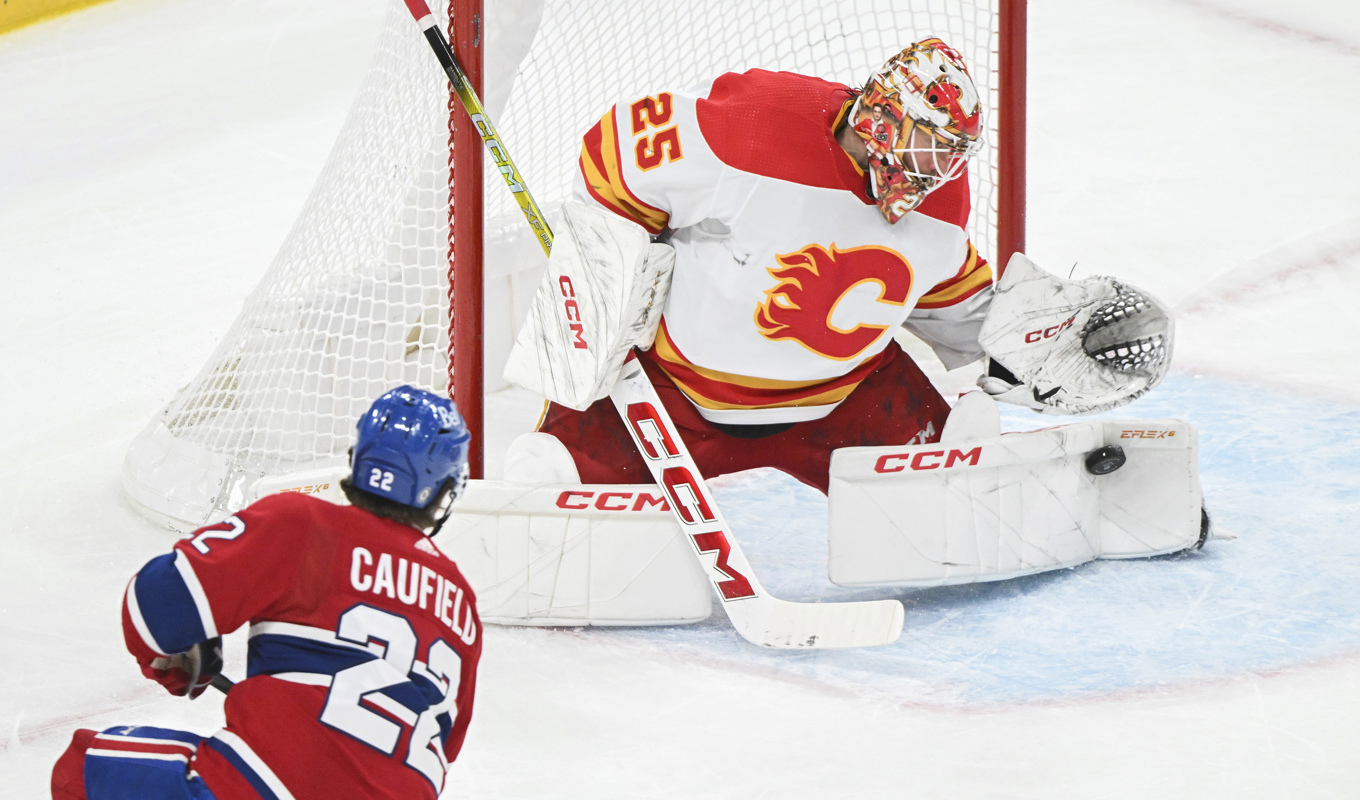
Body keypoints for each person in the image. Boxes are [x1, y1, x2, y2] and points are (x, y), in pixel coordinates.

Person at [522, 38, 994, 493]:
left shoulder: (941, 202)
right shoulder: (755, 124)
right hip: (673, 397)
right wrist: (611, 261)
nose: (941, 171)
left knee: (949, 491)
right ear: (884, 121)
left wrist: (1011, 348)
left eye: (953, 155)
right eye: (931, 146)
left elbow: (947, 285)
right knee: (549, 480)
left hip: (845, 406)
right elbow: (616, 152)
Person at [51, 386, 482, 800]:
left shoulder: (305, 525)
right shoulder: (461, 603)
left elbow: (152, 608)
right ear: (445, 491)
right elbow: (445, 747)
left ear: (358, 459)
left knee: (84, 770)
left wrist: (179, 661)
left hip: (268, 787)